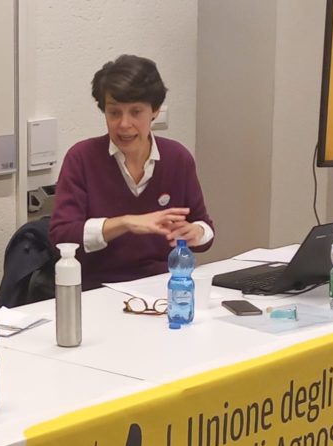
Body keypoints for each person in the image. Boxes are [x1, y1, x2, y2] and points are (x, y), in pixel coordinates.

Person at [49, 54, 215, 288]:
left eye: (136, 112)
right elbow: (62, 236)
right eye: (114, 113)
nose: (124, 124)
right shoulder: (82, 158)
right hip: (96, 289)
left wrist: (196, 232)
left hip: (161, 285)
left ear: (155, 111)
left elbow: (205, 229)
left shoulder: (177, 158)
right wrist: (125, 223)